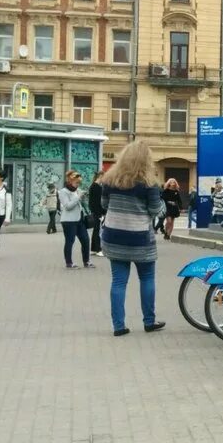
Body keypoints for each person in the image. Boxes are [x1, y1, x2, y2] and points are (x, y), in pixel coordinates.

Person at [100, 140, 165, 337]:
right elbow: (155, 211)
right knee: (147, 278)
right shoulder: (149, 184)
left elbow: (104, 204)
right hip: (140, 240)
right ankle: (149, 321)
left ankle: (118, 326)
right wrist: (162, 204)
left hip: (114, 236)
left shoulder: (110, 180)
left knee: (118, 281)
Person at [58, 170, 93, 268]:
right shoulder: (63, 192)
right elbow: (68, 206)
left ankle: (86, 261)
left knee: (86, 240)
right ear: (70, 181)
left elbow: (80, 205)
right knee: (70, 241)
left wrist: (84, 198)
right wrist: (78, 197)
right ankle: (69, 263)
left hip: (79, 220)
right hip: (68, 221)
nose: (78, 184)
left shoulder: (77, 191)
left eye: (79, 183)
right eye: (76, 182)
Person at [88, 171, 105, 257]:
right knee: (98, 231)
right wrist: (101, 214)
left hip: (95, 212)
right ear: (100, 177)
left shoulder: (93, 186)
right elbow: (97, 202)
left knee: (96, 230)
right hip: (98, 213)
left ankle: (93, 249)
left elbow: (92, 203)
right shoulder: (97, 187)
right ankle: (98, 249)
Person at [0, 172, 9, 250]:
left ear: (1, 178)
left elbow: (9, 204)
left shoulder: (6, 190)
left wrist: (7, 218)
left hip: (0, 215)